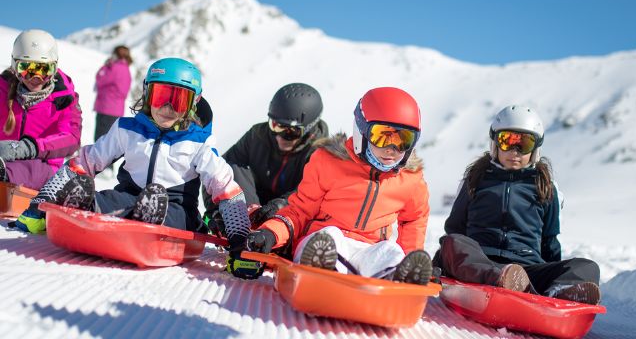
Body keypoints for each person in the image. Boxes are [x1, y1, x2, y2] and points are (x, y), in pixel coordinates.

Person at [14, 58, 251, 260]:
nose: (167, 107)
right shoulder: (127, 129)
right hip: (130, 196)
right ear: (147, 94)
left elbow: (225, 188)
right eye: (160, 97)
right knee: (106, 198)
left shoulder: (199, 142)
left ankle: (148, 216)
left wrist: (239, 242)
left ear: (193, 104)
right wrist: (40, 203)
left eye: (178, 100)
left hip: (176, 206)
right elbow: (85, 162)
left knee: (173, 214)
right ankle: (85, 206)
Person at [246, 87, 433, 285]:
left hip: (368, 251)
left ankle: (399, 276)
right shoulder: (329, 162)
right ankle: (323, 269)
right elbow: (300, 210)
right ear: (362, 132)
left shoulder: (411, 181)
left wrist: (410, 256)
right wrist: (271, 233)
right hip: (321, 241)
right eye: (382, 136)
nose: (392, 149)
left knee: (391, 251)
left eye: (403, 139)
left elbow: (414, 219)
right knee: (329, 236)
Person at [432, 105, 601, 304]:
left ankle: (559, 292)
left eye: (524, 144)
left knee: (588, 267)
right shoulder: (476, 179)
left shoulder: (545, 186)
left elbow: (549, 241)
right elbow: (455, 228)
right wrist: (445, 260)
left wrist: (552, 274)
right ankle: (499, 279)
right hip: (480, 262)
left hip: (526, 272)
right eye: (507, 142)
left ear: (535, 148)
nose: (515, 151)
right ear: (495, 143)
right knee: (453, 243)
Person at [203, 83, 329, 234]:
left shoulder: (320, 153)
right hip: (254, 209)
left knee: (319, 197)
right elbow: (218, 170)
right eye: (275, 125)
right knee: (229, 167)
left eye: (290, 132)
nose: (279, 137)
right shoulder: (258, 136)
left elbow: (312, 195)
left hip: (290, 216)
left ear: (309, 129)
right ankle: (242, 221)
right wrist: (215, 210)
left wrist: (281, 206)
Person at [0, 29, 81, 190]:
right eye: (26, 68)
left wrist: (29, 148)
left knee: (31, 169)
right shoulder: (2, 90)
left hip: (44, 167)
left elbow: (72, 138)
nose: (35, 78)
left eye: (44, 70)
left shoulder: (63, 98)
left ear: (54, 68)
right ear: (15, 66)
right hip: (3, 159)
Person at [93, 45, 132, 141]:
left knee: (100, 141)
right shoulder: (126, 69)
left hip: (106, 108)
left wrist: (105, 66)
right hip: (117, 109)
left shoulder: (114, 68)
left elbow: (100, 79)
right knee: (110, 142)